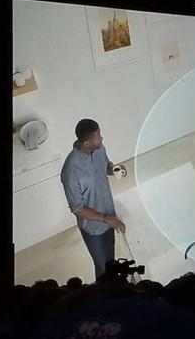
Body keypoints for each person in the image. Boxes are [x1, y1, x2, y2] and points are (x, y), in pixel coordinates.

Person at [60, 119, 127, 280]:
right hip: (93, 229)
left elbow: (106, 166)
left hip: (109, 218)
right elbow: (77, 208)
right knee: (102, 267)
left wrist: (114, 169)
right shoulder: (70, 172)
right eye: (98, 136)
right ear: (86, 143)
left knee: (110, 261)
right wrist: (106, 218)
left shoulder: (99, 149)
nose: (101, 139)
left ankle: (114, 287)